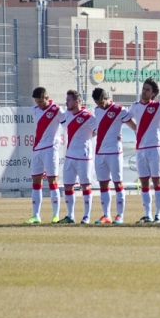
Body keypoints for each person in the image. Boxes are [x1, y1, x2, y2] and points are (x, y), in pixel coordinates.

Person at [122, 78, 160, 223]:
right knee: (144, 182)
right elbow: (126, 118)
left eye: (147, 89)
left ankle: (158, 215)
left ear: (153, 93)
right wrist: (136, 129)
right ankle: (147, 214)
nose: (144, 91)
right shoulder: (135, 106)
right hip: (140, 149)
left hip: (155, 148)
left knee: (157, 181)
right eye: (143, 88)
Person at [92, 88, 137, 225]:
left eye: (101, 103)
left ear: (106, 98)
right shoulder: (97, 110)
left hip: (114, 153)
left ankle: (120, 215)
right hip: (100, 152)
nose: (100, 106)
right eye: (97, 103)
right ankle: (106, 215)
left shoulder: (119, 110)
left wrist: (137, 137)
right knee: (103, 184)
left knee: (118, 183)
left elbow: (133, 126)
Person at [24, 87, 67, 224]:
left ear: (47, 98)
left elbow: (68, 127)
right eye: (37, 101)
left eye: (41, 101)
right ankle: (36, 215)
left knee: (52, 181)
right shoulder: (35, 110)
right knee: (36, 181)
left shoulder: (57, 110)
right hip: (37, 149)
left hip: (51, 149)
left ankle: (55, 215)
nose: (39, 104)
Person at [58, 89, 97, 224]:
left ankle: (86, 216)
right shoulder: (67, 114)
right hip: (69, 156)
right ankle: (70, 215)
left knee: (85, 186)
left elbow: (97, 131)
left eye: (69, 100)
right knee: (68, 186)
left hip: (84, 157)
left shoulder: (88, 117)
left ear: (77, 101)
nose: (66, 102)